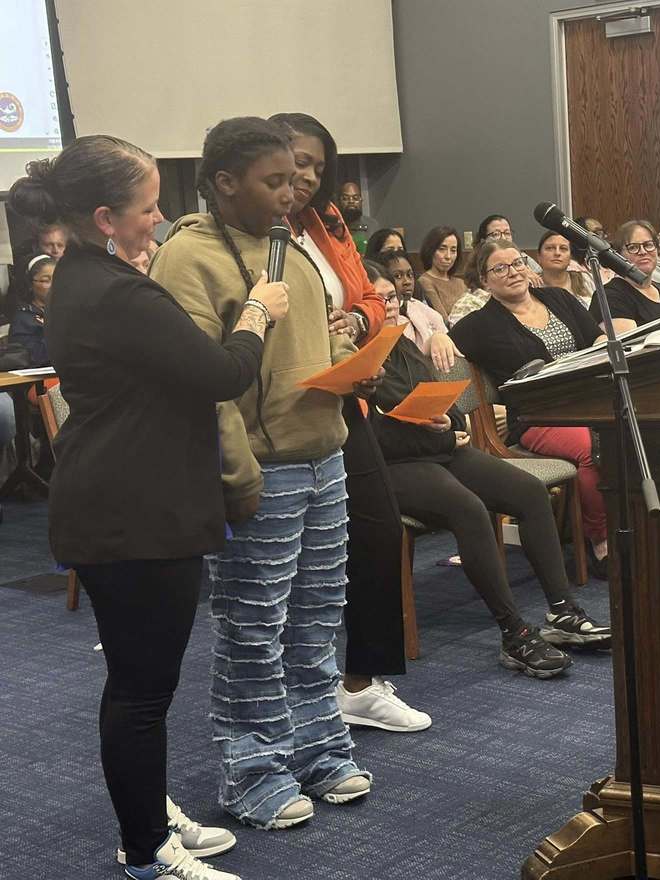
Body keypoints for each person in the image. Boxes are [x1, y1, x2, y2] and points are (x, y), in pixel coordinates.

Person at [10, 134, 288, 880]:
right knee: (141, 690)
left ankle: (148, 814)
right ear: (105, 217)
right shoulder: (118, 291)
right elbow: (222, 372)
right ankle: (146, 852)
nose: (160, 219)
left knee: (139, 684)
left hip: (121, 501)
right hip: (133, 512)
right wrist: (258, 310)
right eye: (148, 206)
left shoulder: (87, 277)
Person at [148, 116, 374, 831]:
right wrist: (237, 476)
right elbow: (197, 382)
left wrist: (336, 345)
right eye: (274, 181)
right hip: (260, 472)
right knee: (253, 629)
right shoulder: (187, 257)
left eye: (296, 178)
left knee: (314, 622)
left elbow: (290, 348)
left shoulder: (290, 245)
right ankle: (253, 771)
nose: (291, 192)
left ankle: (318, 748)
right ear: (223, 182)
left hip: (322, 456)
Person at [366, 262, 610, 674]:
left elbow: (440, 404)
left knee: (529, 493)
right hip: (394, 466)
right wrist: (447, 433)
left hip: (440, 449)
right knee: (470, 509)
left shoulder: (400, 342)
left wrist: (455, 426)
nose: (389, 306)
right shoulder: (358, 356)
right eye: (379, 299)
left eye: (392, 297)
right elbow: (380, 436)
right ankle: (514, 633)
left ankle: (561, 612)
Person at [269, 113, 428, 733]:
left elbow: (369, 293)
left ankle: (361, 681)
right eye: (294, 162)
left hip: (347, 395)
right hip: (283, 407)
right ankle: (285, 692)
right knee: (296, 557)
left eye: (315, 164)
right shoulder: (253, 232)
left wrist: (359, 323)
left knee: (379, 532)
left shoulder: (323, 222)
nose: (305, 175)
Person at [449, 240, 610, 576]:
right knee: (590, 447)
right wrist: (437, 337)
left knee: (632, 431)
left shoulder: (559, 298)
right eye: (500, 268)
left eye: (518, 262)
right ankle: (602, 544)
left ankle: (631, 529)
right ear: (484, 279)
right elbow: (444, 348)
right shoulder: (480, 324)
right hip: (535, 416)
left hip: (590, 402)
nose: (513, 272)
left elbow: (596, 340)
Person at [267, 113, 385, 344]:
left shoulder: (328, 217)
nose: (311, 177)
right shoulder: (258, 226)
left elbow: (373, 298)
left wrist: (356, 321)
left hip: (346, 363)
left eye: (319, 171)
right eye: (301, 163)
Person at [589, 220, 660, 334]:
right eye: (633, 247)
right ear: (618, 254)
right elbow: (627, 345)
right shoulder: (609, 296)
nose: (643, 252)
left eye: (648, 245)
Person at [8, 254, 55, 365]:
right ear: (30, 284)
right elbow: (35, 356)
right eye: (46, 280)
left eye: (58, 278)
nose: (54, 285)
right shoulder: (23, 319)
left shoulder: (67, 312)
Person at [415, 224, 467, 319]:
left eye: (453, 250)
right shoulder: (425, 281)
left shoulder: (461, 283)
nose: (448, 256)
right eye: (442, 249)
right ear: (430, 250)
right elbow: (443, 319)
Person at [537, 230, 594, 307]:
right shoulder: (532, 285)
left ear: (570, 257)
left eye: (563, 248)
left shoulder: (586, 279)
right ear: (539, 256)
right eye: (550, 248)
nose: (557, 253)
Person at [475, 213, 542, 274]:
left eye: (507, 233)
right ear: (483, 241)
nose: (503, 238)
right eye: (496, 234)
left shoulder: (522, 257)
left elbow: (540, 275)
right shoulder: (478, 264)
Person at [568, 216, 616, 284]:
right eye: (598, 233)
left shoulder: (609, 264)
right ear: (580, 238)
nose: (605, 236)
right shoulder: (572, 268)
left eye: (603, 232)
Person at [338, 180, 376, 252]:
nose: (351, 201)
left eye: (355, 198)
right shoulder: (333, 226)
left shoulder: (372, 225)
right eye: (345, 198)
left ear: (361, 201)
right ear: (339, 202)